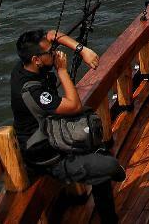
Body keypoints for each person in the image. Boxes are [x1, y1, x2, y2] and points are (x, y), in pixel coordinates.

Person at [11, 29, 126, 223]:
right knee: (109, 166)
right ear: (36, 59)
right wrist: (62, 70)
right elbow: (74, 105)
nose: (55, 53)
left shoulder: (27, 65)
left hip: (55, 132)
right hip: (47, 155)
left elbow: (51, 34)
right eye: (50, 52)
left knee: (94, 137)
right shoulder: (32, 91)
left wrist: (82, 50)